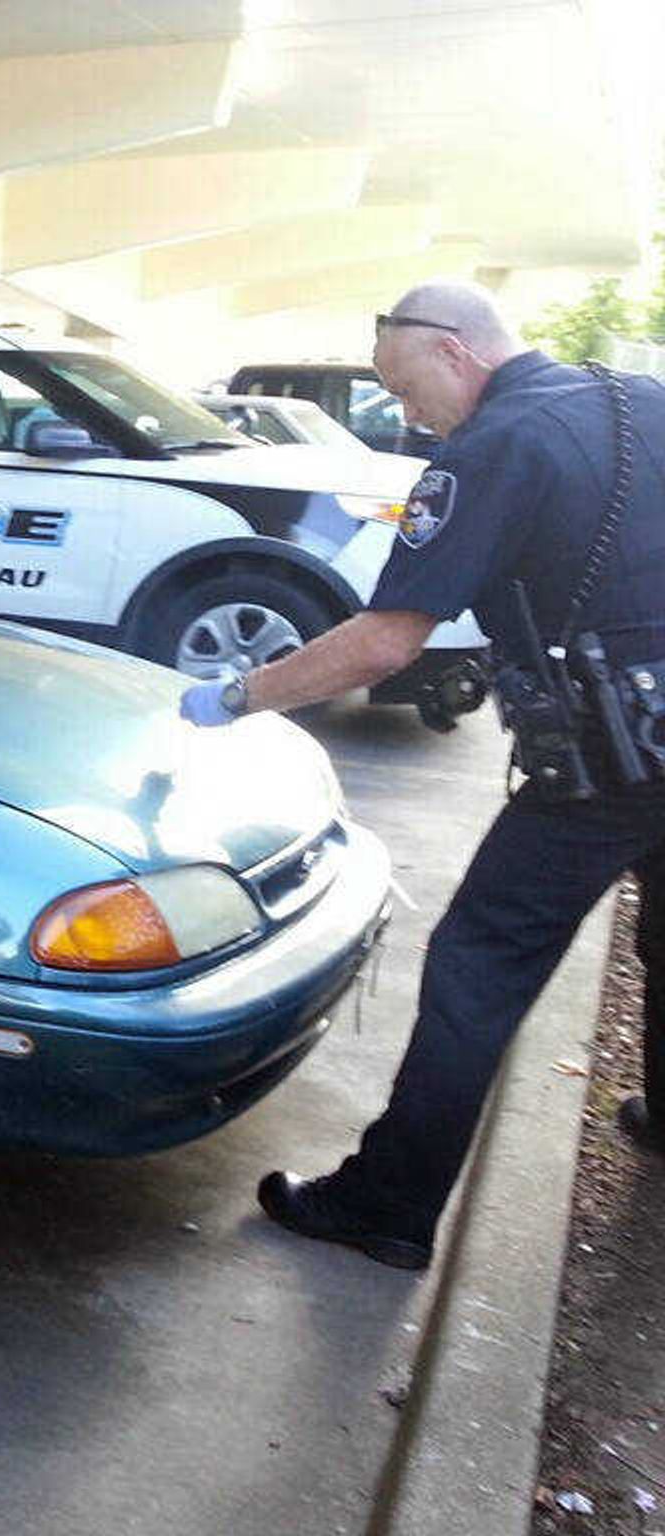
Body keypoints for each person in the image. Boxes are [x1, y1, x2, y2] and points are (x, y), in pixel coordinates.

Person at [178, 281, 665, 1270]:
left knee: (473, 968)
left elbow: (379, 647)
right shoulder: (643, 399)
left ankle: (384, 1207)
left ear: (452, 352)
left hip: (609, 764)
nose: (407, 417)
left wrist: (233, 698)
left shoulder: (489, 448)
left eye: (405, 391)